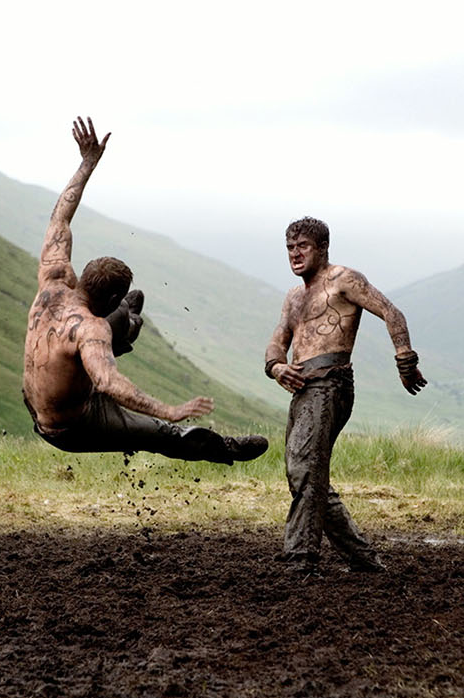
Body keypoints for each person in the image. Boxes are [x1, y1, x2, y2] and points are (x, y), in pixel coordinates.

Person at [22, 117, 268, 465]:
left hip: (42, 399)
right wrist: (170, 410)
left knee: (127, 311)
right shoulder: (92, 329)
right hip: (71, 425)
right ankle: (226, 449)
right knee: (162, 434)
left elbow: (59, 219)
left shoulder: (54, 281)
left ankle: (128, 317)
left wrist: (87, 162)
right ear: (105, 300)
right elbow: (109, 383)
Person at [264, 216, 427, 573]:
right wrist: (277, 368)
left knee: (306, 468)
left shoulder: (343, 280)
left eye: (302, 247)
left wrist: (405, 359)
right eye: (289, 248)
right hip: (302, 388)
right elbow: (276, 343)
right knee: (301, 472)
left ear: (322, 249)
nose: (294, 254)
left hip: (331, 384)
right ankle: (363, 559)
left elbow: (390, 311)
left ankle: (300, 558)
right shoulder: (293, 297)